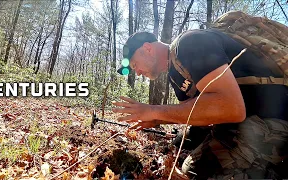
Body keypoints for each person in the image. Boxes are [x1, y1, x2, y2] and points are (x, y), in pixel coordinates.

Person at [112, 29, 288, 179]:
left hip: (273, 118)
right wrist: (158, 120)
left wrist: (154, 110)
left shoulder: (189, 44)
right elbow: (197, 113)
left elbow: (232, 107)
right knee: (182, 144)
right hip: (244, 120)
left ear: (147, 48)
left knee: (194, 172)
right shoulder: (175, 75)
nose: (138, 72)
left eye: (135, 65)